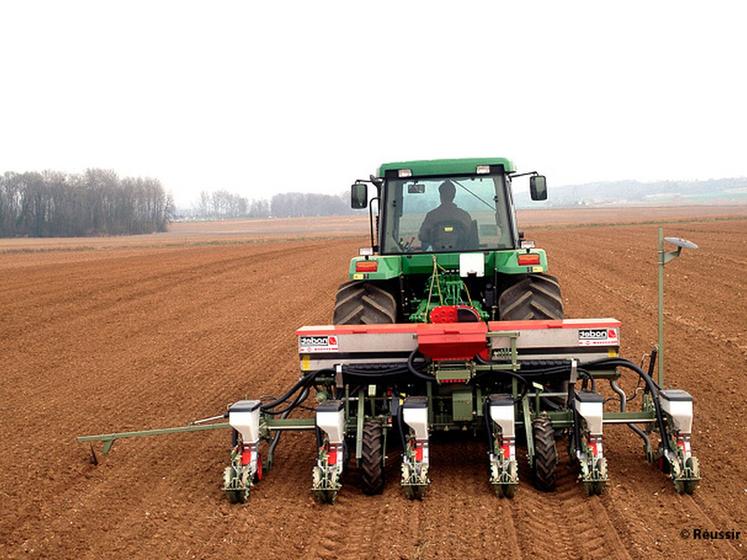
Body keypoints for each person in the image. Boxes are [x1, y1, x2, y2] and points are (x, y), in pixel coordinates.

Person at [418, 180, 473, 248]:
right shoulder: (464, 216)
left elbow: (423, 236)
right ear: (454, 195)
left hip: (436, 256)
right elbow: (470, 238)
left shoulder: (431, 215)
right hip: (460, 254)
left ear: (441, 195)